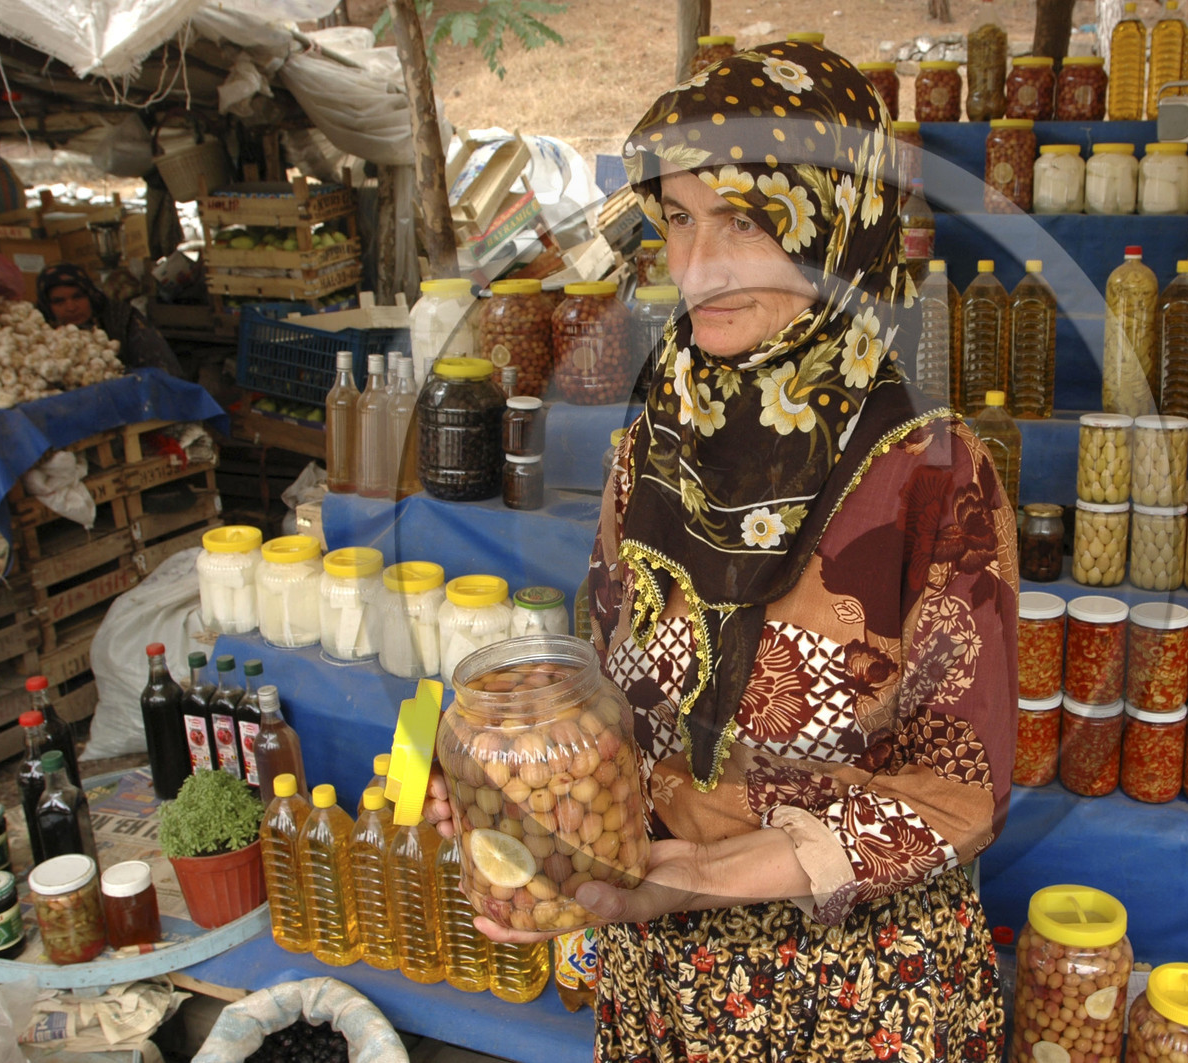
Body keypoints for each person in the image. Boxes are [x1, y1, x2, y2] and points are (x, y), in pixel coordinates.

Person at [428, 40, 1017, 1060]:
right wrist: (515, 782)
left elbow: (958, 791)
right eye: (681, 220)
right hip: (668, 973)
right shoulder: (652, 446)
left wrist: (689, 877)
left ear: (837, 223)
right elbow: (608, 691)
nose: (697, 266)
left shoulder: (931, 473)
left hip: (852, 990)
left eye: (744, 220)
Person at [35, 263, 184, 377]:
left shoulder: (122, 319)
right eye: (59, 301)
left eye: (78, 297)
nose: (71, 307)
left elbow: (162, 371)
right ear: (47, 306)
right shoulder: (40, 337)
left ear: (90, 295)